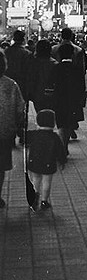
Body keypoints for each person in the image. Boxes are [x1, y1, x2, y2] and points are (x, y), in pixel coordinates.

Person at [26, 109, 67, 211]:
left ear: (38, 122)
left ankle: (35, 198)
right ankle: (44, 201)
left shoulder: (34, 134)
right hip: (49, 163)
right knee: (46, 182)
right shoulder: (55, 137)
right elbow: (60, 151)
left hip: (34, 163)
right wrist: (62, 161)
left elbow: (22, 137)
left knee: (35, 180)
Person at [0, 49, 25, 208]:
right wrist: (19, 126)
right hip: (4, 131)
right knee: (1, 166)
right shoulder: (11, 85)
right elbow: (19, 108)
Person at [52, 28, 87, 139]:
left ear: (61, 36)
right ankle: (70, 128)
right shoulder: (78, 50)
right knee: (72, 108)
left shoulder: (54, 49)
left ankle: (64, 133)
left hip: (59, 83)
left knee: (61, 111)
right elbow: (82, 69)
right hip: (74, 83)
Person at [5, 30, 31, 143]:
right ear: (23, 39)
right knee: (22, 108)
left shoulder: (6, 52)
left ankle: (11, 134)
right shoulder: (27, 54)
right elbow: (29, 72)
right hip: (23, 85)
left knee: (9, 108)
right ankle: (22, 132)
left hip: (8, 84)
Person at [27, 39, 57, 113]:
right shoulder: (55, 64)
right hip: (52, 95)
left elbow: (30, 79)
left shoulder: (32, 63)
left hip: (37, 95)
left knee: (41, 115)